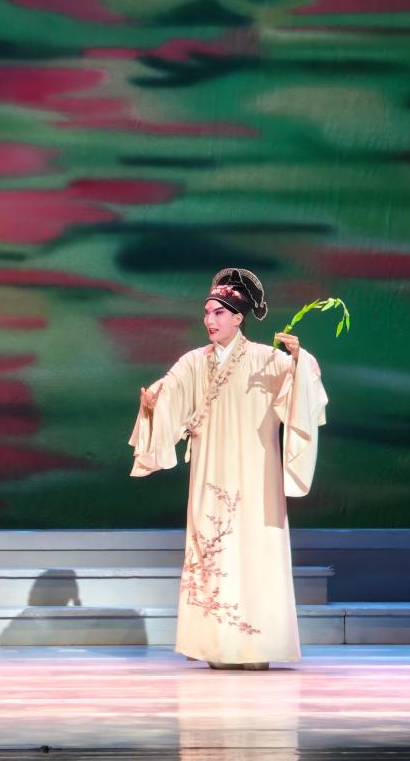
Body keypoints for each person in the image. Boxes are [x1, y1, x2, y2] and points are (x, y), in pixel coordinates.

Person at [129, 269, 327, 670]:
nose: (210, 320)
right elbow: (169, 393)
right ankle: (216, 645)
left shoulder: (267, 360)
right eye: (207, 312)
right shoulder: (192, 362)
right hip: (211, 470)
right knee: (213, 545)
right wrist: (153, 403)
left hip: (256, 471)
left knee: (254, 548)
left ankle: (258, 646)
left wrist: (298, 360)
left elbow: (306, 393)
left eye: (219, 313)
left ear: (238, 317)